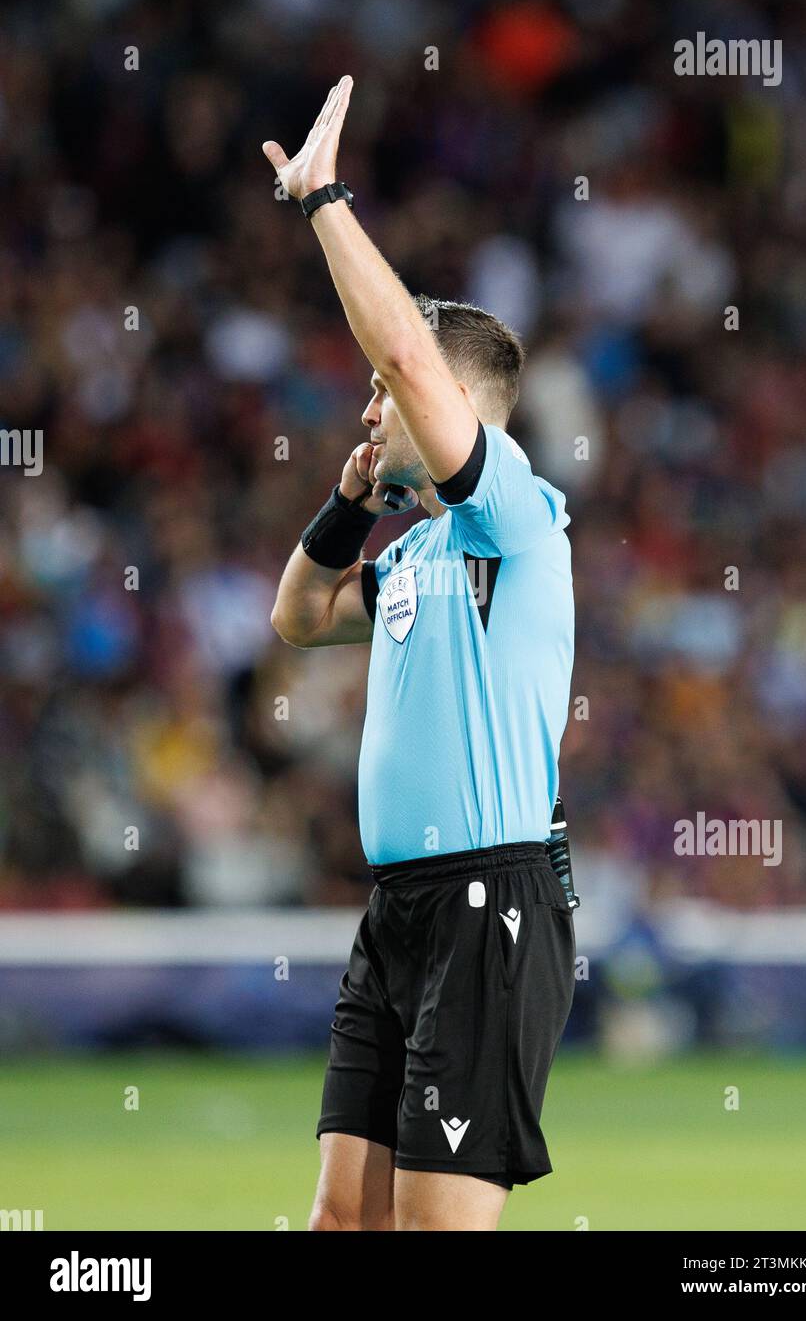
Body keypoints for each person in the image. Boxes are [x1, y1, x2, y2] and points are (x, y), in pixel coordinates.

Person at [264, 77, 576, 1232]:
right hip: (396, 909)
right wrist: (350, 498)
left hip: (488, 902)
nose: (366, 415)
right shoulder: (412, 553)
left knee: (437, 1232)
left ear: (449, 403)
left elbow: (402, 351)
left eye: (380, 403)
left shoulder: (513, 517)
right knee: (343, 1222)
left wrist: (323, 200)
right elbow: (297, 615)